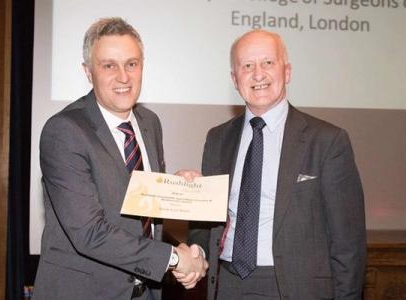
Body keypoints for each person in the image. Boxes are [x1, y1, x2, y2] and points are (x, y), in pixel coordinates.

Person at [33, 17, 207, 300]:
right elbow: (89, 232)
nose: (124, 77)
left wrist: (176, 187)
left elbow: (134, 202)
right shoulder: (64, 131)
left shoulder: (150, 123)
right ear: (88, 72)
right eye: (109, 65)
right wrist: (174, 259)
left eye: (132, 64)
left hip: (145, 292)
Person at [187, 29, 366, 299]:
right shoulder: (217, 138)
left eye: (268, 63)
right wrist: (196, 247)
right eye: (247, 66)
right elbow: (206, 223)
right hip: (227, 284)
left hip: (296, 287)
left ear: (288, 72)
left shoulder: (328, 141)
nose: (258, 74)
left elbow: (348, 243)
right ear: (235, 79)